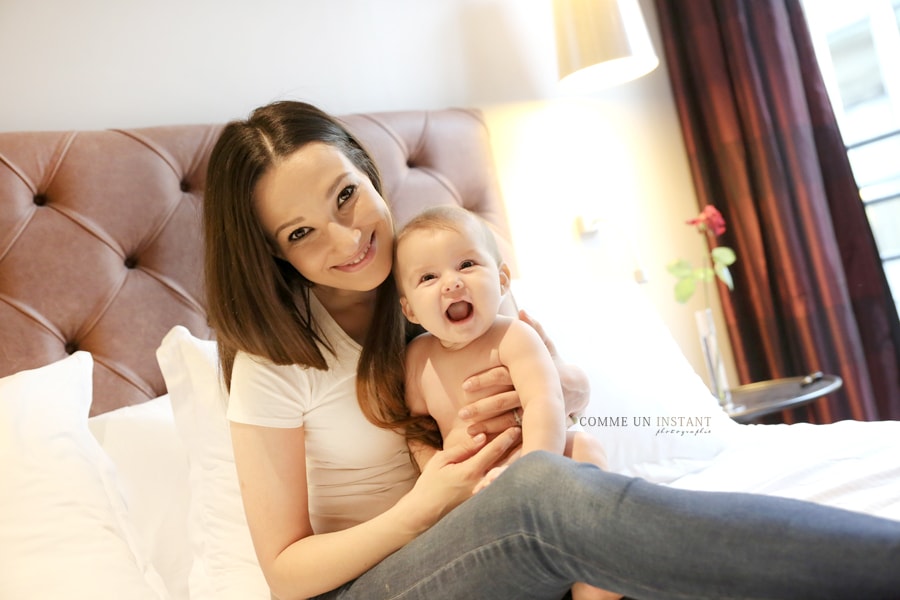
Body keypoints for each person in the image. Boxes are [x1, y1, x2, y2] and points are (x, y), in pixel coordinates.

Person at [204, 99, 900, 600]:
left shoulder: (439, 280)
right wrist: (431, 500)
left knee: (565, 483)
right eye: (301, 234)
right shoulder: (276, 362)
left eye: (346, 196)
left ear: (367, 171)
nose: (344, 239)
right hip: (379, 580)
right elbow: (285, 573)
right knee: (544, 493)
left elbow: (553, 380)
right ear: (274, 255)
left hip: (489, 537)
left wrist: (563, 391)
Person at [393, 204, 615, 600]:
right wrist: (435, 473)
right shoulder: (416, 360)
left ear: (503, 279)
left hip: (534, 463)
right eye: (428, 277)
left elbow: (545, 404)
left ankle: (594, 581)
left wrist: (532, 471)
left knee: (584, 446)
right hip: (471, 486)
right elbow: (418, 430)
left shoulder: (514, 337)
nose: (451, 284)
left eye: (466, 264)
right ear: (409, 308)